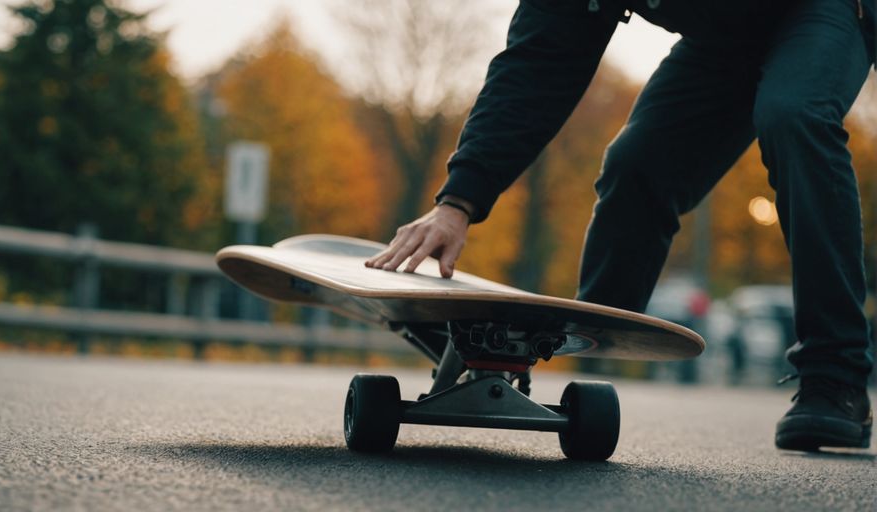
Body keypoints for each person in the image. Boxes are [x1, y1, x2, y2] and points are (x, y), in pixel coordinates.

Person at [365, 0, 874, 451]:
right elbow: (536, 65)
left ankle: (837, 378)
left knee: (794, 113)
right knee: (637, 167)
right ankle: (574, 337)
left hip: (824, 9)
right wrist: (457, 203)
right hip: (729, 37)